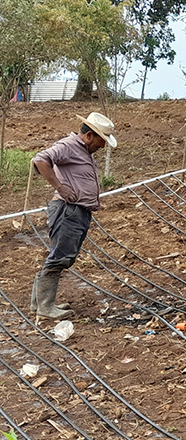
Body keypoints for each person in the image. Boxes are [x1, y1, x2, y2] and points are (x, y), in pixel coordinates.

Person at [30, 112, 117, 320]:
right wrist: (60, 186)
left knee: (60, 255)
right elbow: (40, 160)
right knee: (60, 258)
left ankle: (39, 303)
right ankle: (45, 306)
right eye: (101, 141)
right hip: (68, 211)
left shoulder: (83, 151)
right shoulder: (69, 146)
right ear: (88, 136)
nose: (102, 146)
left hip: (76, 211)